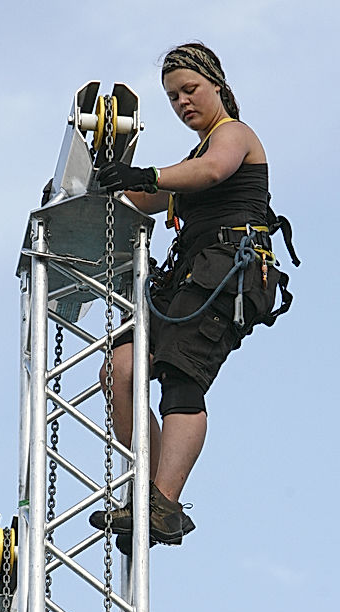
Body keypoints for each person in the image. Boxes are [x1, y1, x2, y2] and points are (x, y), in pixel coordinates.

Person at [90, 42, 292, 549]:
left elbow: (211, 173)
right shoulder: (191, 156)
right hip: (185, 277)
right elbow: (151, 196)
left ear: (217, 86)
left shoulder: (234, 136)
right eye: (173, 96)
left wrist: (148, 175)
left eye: (190, 90)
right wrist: (101, 188)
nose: (182, 103)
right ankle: (154, 493)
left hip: (226, 271)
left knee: (182, 375)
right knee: (120, 370)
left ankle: (163, 502)